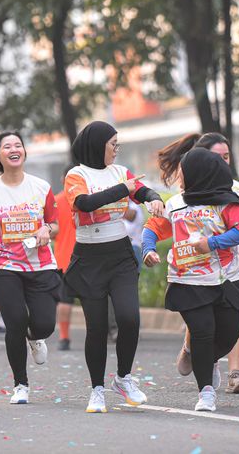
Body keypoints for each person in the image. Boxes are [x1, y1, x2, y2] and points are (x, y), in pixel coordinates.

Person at [63, 120, 164, 413]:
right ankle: (97, 389)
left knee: (129, 318)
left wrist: (154, 199)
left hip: (120, 254)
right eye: (113, 145)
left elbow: (141, 190)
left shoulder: (120, 172)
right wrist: (123, 189)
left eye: (118, 144)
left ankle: (123, 378)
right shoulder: (76, 174)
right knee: (96, 328)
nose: (117, 150)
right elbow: (85, 203)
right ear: (98, 145)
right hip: (89, 258)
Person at [143, 148, 239, 411]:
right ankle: (206, 392)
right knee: (202, 332)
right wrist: (148, 249)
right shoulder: (175, 204)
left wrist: (211, 243)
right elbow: (152, 228)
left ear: (199, 174)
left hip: (227, 278)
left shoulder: (227, 202)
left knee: (229, 333)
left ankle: (201, 357)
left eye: (183, 172)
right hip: (188, 280)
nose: (179, 177)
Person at [0, 131, 60, 405]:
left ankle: (35, 336)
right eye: (7, 146)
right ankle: (21, 384)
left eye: (18, 145)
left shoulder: (41, 187)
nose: (13, 149)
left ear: (24, 152)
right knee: (15, 320)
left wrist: (46, 229)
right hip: (3, 263)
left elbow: (55, 223)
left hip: (40, 263)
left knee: (44, 324)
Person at [53, 165, 77, 351]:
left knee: (64, 301)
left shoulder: (55, 201)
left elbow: (52, 231)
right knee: (93, 301)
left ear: (63, 179)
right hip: (88, 257)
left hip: (63, 259)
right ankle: (96, 336)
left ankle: (64, 337)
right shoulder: (87, 199)